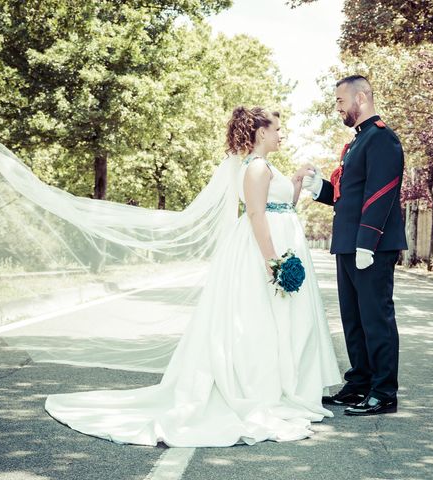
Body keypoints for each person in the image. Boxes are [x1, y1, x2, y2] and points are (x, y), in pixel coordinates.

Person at [44, 106, 341, 447]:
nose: (281, 134)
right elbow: (257, 214)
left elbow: (282, 204)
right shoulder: (256, 167)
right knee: (260, 321)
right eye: (277, 129)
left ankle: (288, 385)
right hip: (264, 250)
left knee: (282, 320)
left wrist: (299, 181)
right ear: (261, 133)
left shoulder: (267, 166)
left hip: (283, 243)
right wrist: (273, 262)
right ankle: (262, 388)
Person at [301, 75, 407, 416]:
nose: (338, 108)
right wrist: (320, 189)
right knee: (354, 319)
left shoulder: (381, 139)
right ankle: (360, 382)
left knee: (376, 318)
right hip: (348, 244)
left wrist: (367, 243)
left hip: (369, 245)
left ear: (360, 97)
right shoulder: (359, 142)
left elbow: (381, 192)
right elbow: (348, 196)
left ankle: (384, 392)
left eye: (340, 101)